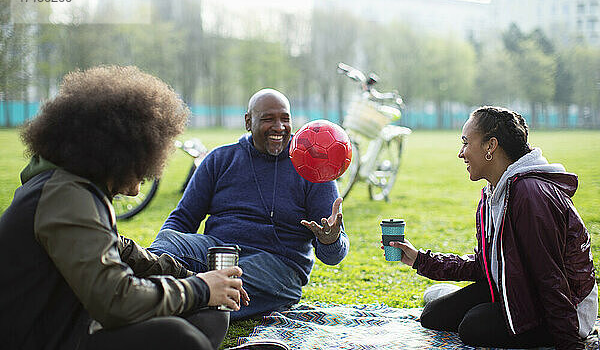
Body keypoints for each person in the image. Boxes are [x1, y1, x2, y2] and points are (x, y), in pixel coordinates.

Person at [0, 66, 249, 350]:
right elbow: (115, 299)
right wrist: (202, 288)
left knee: (209, 314)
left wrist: (193, 278)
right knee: (179, 337)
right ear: (121, 149)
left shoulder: (69, 186)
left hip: (65, 322)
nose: (154, 166)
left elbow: (121, 250)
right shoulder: (67, 196)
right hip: (38, 337)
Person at [388, 106, 597, 350]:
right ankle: (447, 296)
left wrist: (569, 342)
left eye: (466, 143)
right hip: (514, 288)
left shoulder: (529, 196)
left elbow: (551, 278)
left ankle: (467, 303)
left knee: (474, 327)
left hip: (561, 308)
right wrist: (420, 261)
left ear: (490, 146)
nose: (461, 153)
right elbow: (484, 265)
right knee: (434, 315)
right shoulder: (494, 193)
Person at [149, 88, 349, 320]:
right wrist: (162, 256)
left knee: (227, 289)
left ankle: (170, 304)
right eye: (268, 119)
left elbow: (333, 256)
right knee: (168, 241)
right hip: (218, 251)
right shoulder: (219, 159)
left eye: (285, 119)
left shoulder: (310, 165)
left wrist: (330, 239)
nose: (279, 127)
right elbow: (183, 218)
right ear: (248, 121)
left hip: (277, 265)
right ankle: (151, 291)